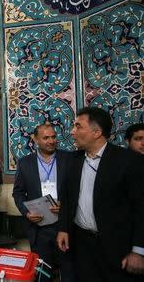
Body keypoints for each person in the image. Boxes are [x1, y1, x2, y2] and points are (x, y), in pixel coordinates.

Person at [57, 107, 144, 281]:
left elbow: (141, 208)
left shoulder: (129, 161)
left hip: (117, 249)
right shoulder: (73, 161)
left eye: (78, 126)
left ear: (96, 132)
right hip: (82, 246)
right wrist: (64, 228)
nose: (72, 132)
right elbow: (67, 198)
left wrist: (138, 251)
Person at [13, 123, 76, 282]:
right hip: (39, 228)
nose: (51, 141)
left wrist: (66, 204)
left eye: (53, 137)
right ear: (35, 139)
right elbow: (18, 192)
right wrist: (27, 212)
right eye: (46, 137)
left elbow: (78, 190)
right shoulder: (25, 163)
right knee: (42, 273)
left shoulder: (69, 159)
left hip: (65, 225)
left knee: (69, 271)